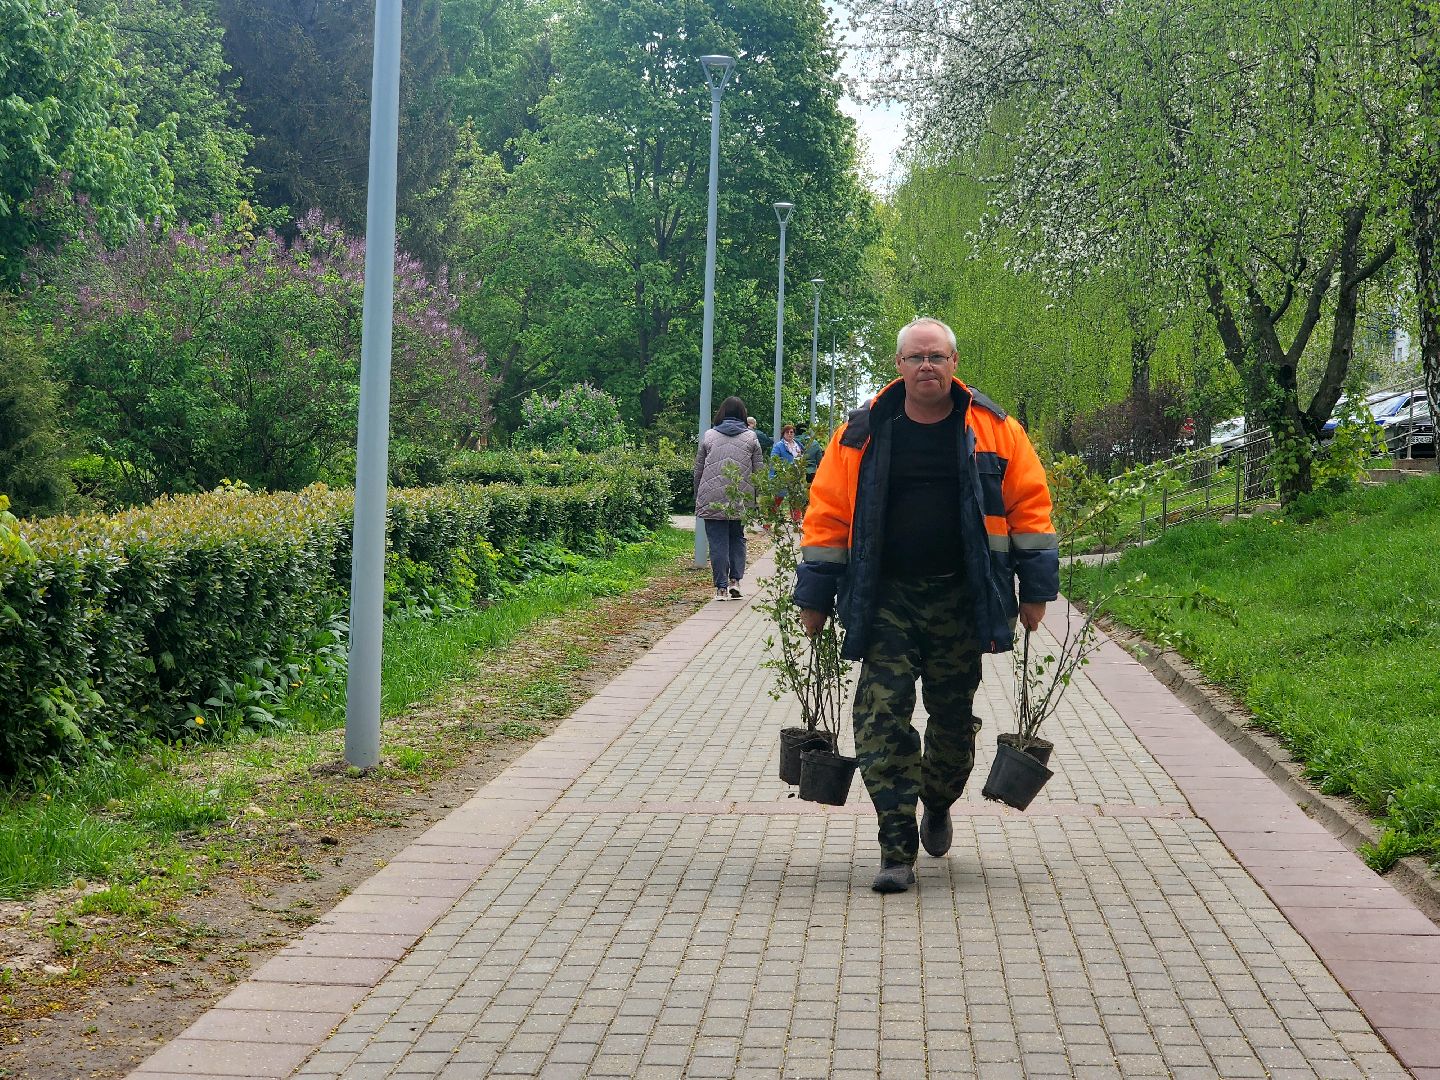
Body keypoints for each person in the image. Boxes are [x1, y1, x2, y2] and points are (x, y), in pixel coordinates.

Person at [794, 317, 1058, 893]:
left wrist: (1035, 592)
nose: (926, 367)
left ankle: (937, 801)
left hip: (961, 599)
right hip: (886, 596)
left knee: (952, 720)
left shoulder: (994, 429)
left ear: (954, 363)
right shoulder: (861, 433)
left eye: (936, 357)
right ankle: (896, 846)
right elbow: (829, 516)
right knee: (879, 713)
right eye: (915, 358)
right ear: (898, 367)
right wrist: (814, 598)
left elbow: (1030, 509)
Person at [695, 396, 764, 601]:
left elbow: (698, 469)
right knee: (737, 537)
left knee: (717, 543)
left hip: (712, 496)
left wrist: (698, 494)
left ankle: (721, 589)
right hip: (740, 497)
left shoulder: (709, 436)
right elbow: (758, 471)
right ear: (743, 414)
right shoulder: (751, 438)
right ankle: (735, 581)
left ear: (721, 413)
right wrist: (758, 498)